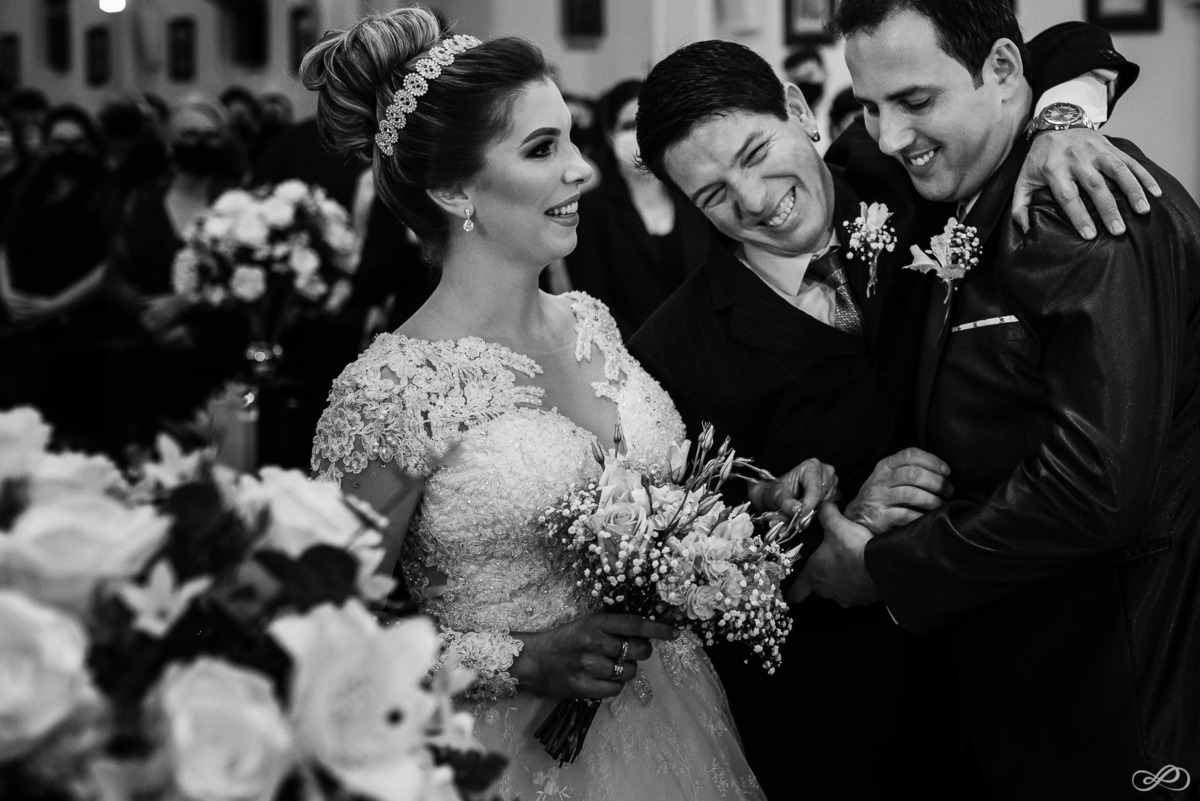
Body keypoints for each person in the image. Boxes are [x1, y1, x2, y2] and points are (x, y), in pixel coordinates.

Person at [629, 25, 1153, 801]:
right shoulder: (671, 348)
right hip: (857, 716)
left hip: (1033, 658)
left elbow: (1068, 48)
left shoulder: (902, 167)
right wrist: (822, 541)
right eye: (712, 195)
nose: (754, 201)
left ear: (798, 109)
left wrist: (1059, 127)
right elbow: (697, 561)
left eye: (755, 153)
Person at [303, 8, 776, 799]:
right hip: (499, 758)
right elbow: (329, 636)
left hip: (676, 726)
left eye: (572, 140)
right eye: (542, 148)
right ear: (454, 188)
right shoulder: (392, 391)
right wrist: (521, 660)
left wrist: (745, 513)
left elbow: (653, 501)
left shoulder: (591, 321)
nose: (582, 170)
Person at [805, 2, 1200, 798]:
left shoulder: (1077, 202)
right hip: (1017, 678)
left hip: (1116, 685)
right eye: (870, 107)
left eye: (915, 101)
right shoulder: (942, 174)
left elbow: (1094, 486)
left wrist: (884, 569)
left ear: (1005, 72)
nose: (890, 136)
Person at [104, 95, 246, 442]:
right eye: (189, 135)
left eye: (209, 136)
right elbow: (117, 273)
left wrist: (184, 305)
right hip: (150, 353)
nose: (199, 144)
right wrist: (151, 315)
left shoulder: (238, 201)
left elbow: (248, 275)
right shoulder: (142, 198)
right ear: (169, 141)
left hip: (218, 350)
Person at [0, 104, 119, 448]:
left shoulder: (107, 190)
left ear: (92, 145)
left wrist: (55, 306)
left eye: (78, 143)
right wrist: (6, 293)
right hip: (23, 325)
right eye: (59, 143)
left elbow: (112, 263)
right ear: (46, 146)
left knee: (74, 432)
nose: (68, 151)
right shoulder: (27, 188)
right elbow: (4, 243)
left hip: (81, 327)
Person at [565, 79, 709, 337]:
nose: (640, 135)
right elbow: (593, 303)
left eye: (648, 124)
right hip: (630, 350)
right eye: (629, 126)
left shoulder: (693, 198)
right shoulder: (590, 211)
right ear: (609, 135)